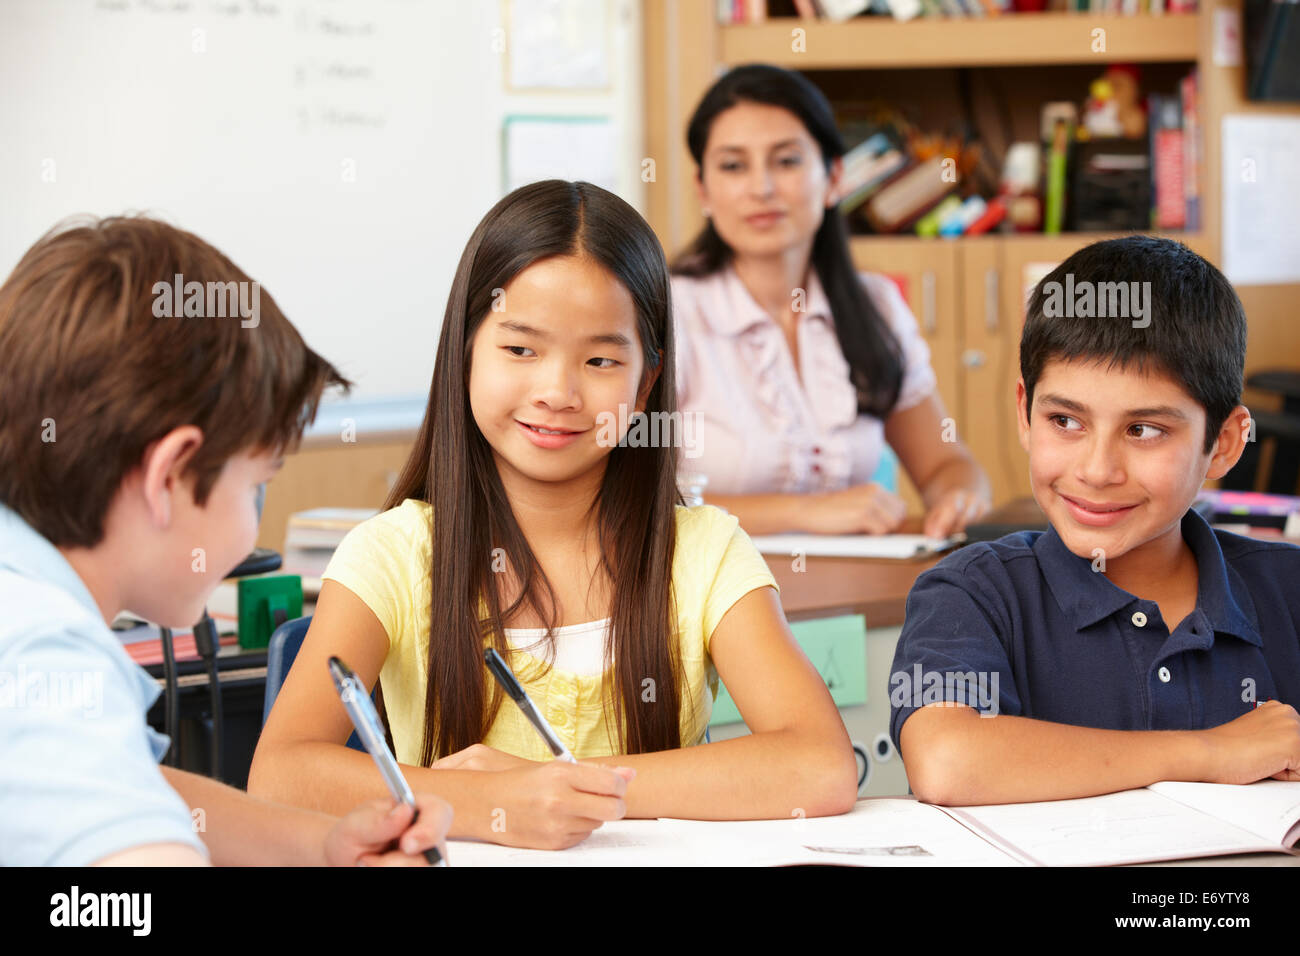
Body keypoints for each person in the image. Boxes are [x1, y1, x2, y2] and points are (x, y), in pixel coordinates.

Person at [249, 180, 859, 850]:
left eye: (601, 360)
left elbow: (819, 765)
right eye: (520, 350)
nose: (558, 392)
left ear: (646, 381)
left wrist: (564, 788)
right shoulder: (393, 554)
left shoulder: (705, 552)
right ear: (465, 352)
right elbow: (281, 775)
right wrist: (491, 801)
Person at [0, 216, 451, 865]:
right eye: (257, 483)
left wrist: (322, 847)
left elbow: (135, 790)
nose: (253, 526)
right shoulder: (46, 659)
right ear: (171, 476)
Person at [889, 236, 1300, 805]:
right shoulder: (969, 593)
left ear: (1224, 444)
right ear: (1024, 413)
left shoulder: (1288, 588)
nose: (1097, 469)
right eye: (1065, 420)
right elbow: (947, 759)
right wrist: (1211, 752)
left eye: (1145, 430)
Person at [671, 64, 990, 537]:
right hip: (706, 603)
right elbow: (623, 505)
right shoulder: (666, 312)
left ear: (835, 177)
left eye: (787, 161)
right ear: (703, 189)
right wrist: (804, 514)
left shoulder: (874, 304)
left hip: (856, 589)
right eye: (733, 165)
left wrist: (958, 499)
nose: (761, 188)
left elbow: (946, 462)